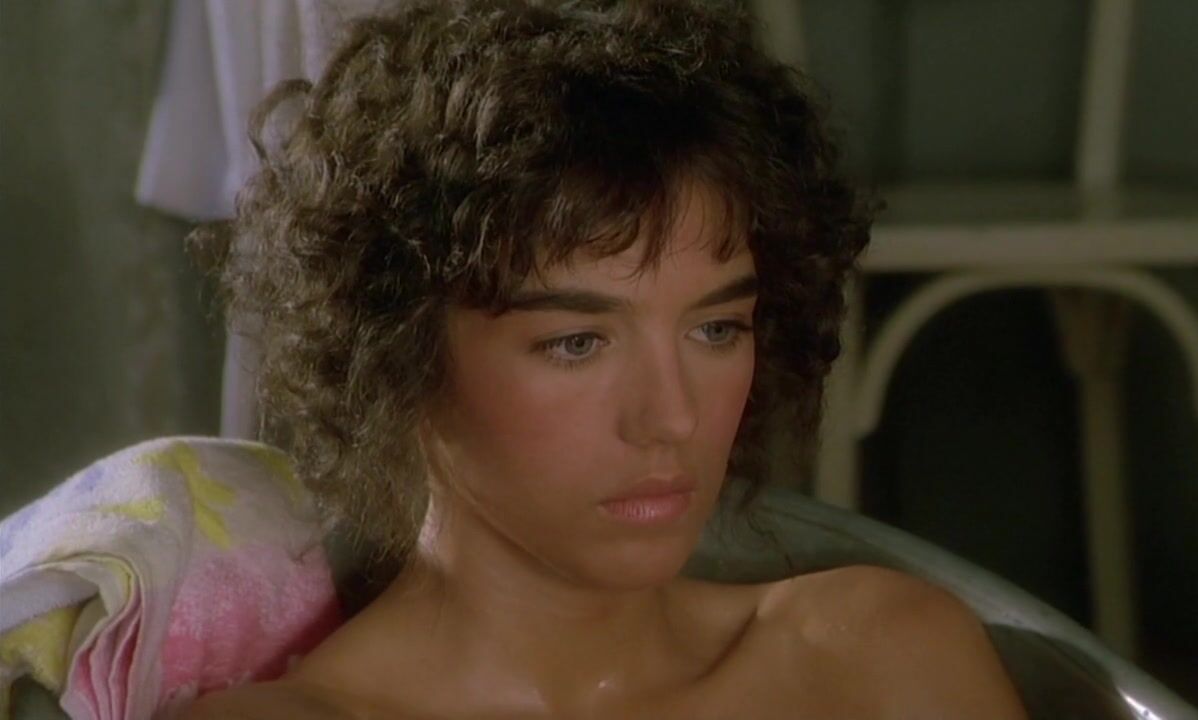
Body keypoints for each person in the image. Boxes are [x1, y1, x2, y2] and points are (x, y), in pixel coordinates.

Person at [184, 0, 1027, 717]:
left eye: (716, 330)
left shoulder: (877, 661)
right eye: (576, 343)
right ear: (398, 354)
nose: (673, 417)